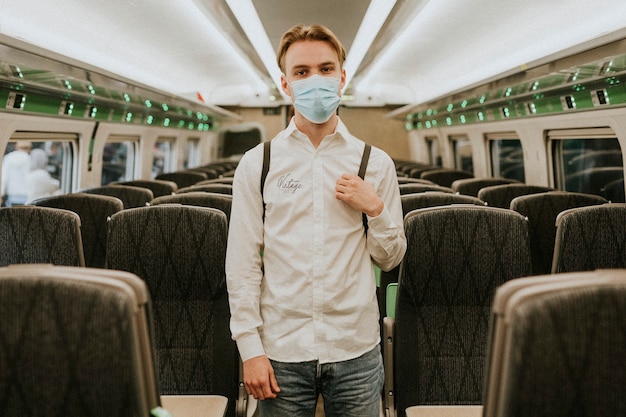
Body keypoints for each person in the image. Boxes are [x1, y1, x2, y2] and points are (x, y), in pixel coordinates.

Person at [226, 23, 407, 417]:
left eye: (326, 69)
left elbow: (389, 260)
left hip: (355, 348)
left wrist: (374, 209)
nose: (315, 80)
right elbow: (242, 265)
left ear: (342, 78)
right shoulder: (259, 163)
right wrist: (250, 349)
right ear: (286, 84)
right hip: (281, 350)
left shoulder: (374, 163)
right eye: (302, 72)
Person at [1, 141, 32, 206]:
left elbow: (4, 177)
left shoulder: (8, 158)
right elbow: (30, 178)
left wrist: (1, 193)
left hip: (12, 194)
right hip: (25, 195)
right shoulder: (29, 159)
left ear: (16, 146)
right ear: (29, 148)